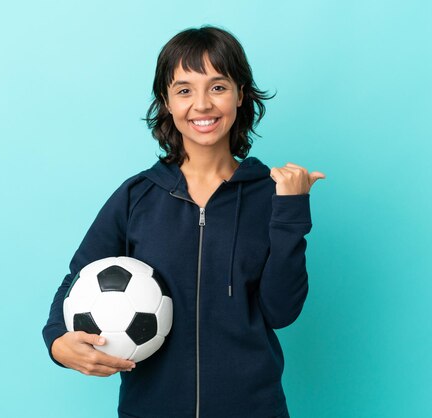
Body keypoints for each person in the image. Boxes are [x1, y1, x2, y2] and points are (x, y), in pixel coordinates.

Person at [42, 25, 325, 418]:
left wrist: (292, 213)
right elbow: (78, 278)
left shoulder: (270, 195)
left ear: (241, 94)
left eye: (218, 87)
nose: (202, 105)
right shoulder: (136, 196)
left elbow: (281, 311)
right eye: (185, 90)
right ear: (167, 102)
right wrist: (57, 340)